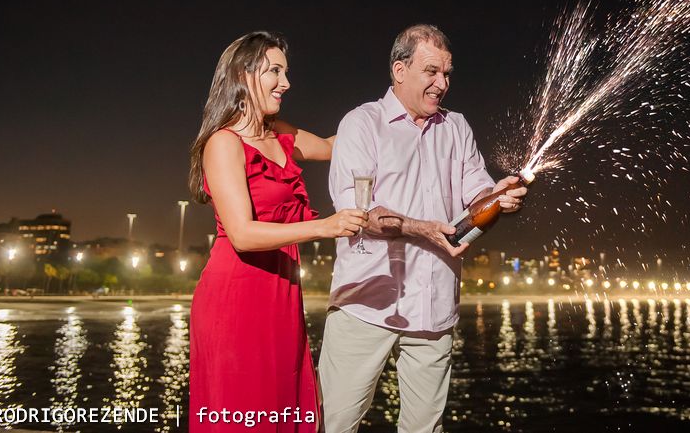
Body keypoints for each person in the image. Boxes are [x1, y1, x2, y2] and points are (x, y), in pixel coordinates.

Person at [319, 24, 528, 433]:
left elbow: (476, 191)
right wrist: (419, 229)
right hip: (366, 304)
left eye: (447, 73)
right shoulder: (362, 124)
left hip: (434, 310)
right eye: (431, 71)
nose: (442, 83)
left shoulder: (457, 127)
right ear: (399, 70)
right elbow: (355, 210)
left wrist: (498, 197)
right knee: (335, 423)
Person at [188, 31, 367, 432]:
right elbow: (242, 234)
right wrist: (326, 226)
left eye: (285, 72)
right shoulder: (223, 143)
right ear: (244, 74)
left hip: (281, 296)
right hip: (236, 299)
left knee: (283, 408)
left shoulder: (280, 135)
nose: (285, 83)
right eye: (275, 71)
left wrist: (391, 111)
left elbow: (335, 145)